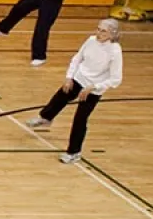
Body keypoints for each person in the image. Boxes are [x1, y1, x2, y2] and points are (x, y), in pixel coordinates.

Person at [29, 18, 122, 164]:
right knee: (60, 97)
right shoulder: (91, 40)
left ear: (112, 34)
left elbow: (116, 79)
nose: (98, 33)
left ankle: (74, 152)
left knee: (80, 119)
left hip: (93, 89)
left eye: (103, 31)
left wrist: (94, 87)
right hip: (79, 78)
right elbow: (77, 59)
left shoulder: (115, 51)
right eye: (98, 29)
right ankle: (46, 118)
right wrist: (69, 77)